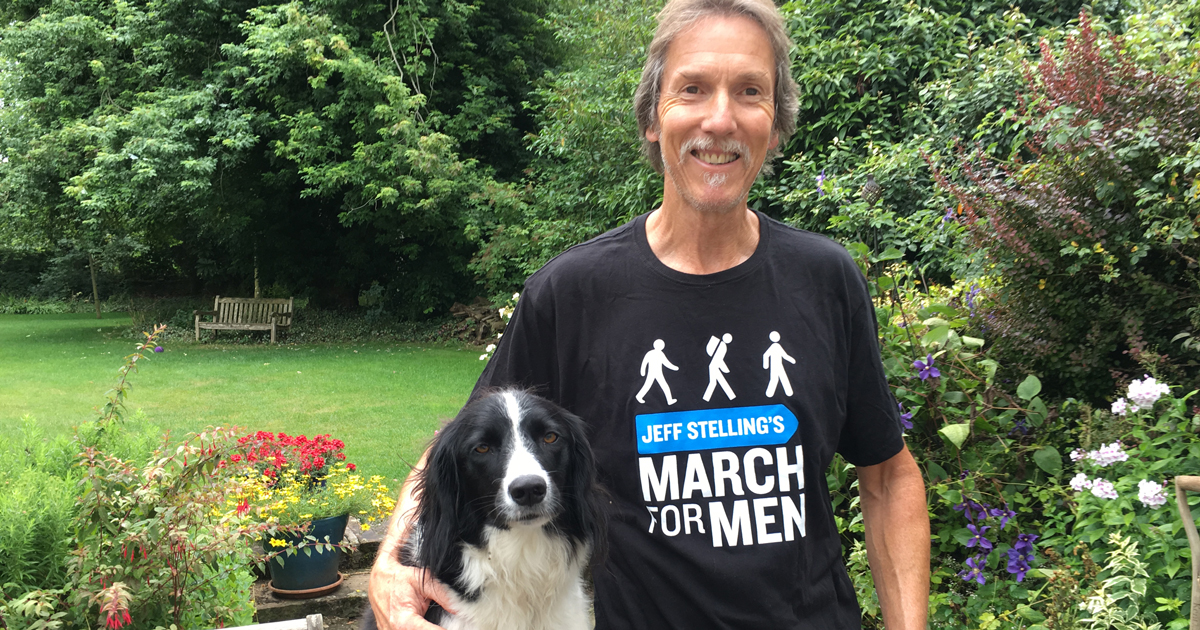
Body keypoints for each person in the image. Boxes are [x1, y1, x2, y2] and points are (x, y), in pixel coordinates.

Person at [368, 0, 930, 627]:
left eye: (750, 91)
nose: (720, 119)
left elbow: (887, 475)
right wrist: (391, 560)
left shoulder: (826, 279)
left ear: (775, 125)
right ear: (652, 118)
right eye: (692, 88)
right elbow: (464, 441)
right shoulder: (572, 291)